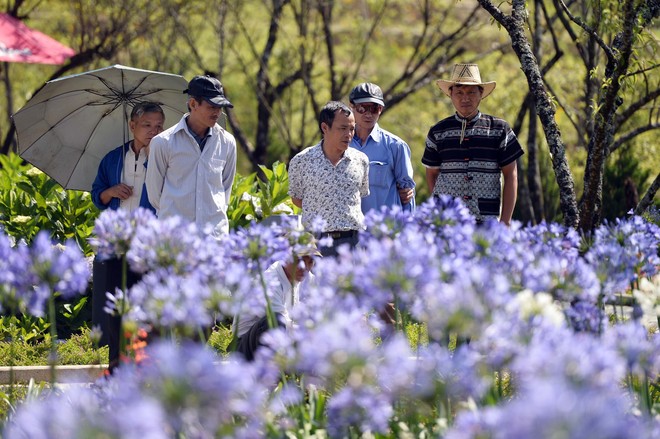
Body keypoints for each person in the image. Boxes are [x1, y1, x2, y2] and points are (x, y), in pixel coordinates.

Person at [91, 101, 165, 372]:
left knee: (148, 311)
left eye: (159, 126)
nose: (153, 131)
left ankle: (149, 370)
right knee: (116, 311)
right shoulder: (112, 158)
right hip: (116, 245)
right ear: (132, 125)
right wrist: (110, 192)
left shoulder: (163, 157)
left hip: (148, 247)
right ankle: (116, 368)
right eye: (147, 125)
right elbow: (96, 194)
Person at [422, 63, 524, 225]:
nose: (465, 98)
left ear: (481, 93)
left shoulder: (499, 129)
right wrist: (441, 207)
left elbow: (511, 175)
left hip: (486, 219)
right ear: (450, 94)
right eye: (459, 92)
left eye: (471, 92)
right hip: (448, 221)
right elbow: (431, 173)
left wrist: (505, 222)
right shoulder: (438, 131)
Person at [146, 75, 237, 237]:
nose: (218, 112)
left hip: (214, 239)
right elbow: (155, 195)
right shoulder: (162, 142)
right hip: (175, 240)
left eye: (220, 107)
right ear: (193, 104)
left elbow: (225, 190)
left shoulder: (228, 142)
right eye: (212, 107)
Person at [288, 101, 370, 257]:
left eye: (352, 129)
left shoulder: (361, 160)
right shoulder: (301, 161)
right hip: (316, 244)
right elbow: (297, 199)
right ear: (325, 128)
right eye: (343, 128)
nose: (349, 134)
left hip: (354, 243)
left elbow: (360, 194)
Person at [233, 233, 320, 361]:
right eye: (299, 260)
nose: (305, 268)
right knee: (276, 321)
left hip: (285, 341)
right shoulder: (270, 280)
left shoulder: (307, 278)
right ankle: (271, 375)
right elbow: (282, 325)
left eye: (310, 261)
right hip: (245, 348)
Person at [348, 82, 416, 213]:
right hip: (349, 228)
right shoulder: (342, 144)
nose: (368, 114)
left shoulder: (396, 146)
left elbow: (407, 195)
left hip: (383, 229)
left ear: (381, 109)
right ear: (351, 107)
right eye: (362, 108)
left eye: (374, 108)